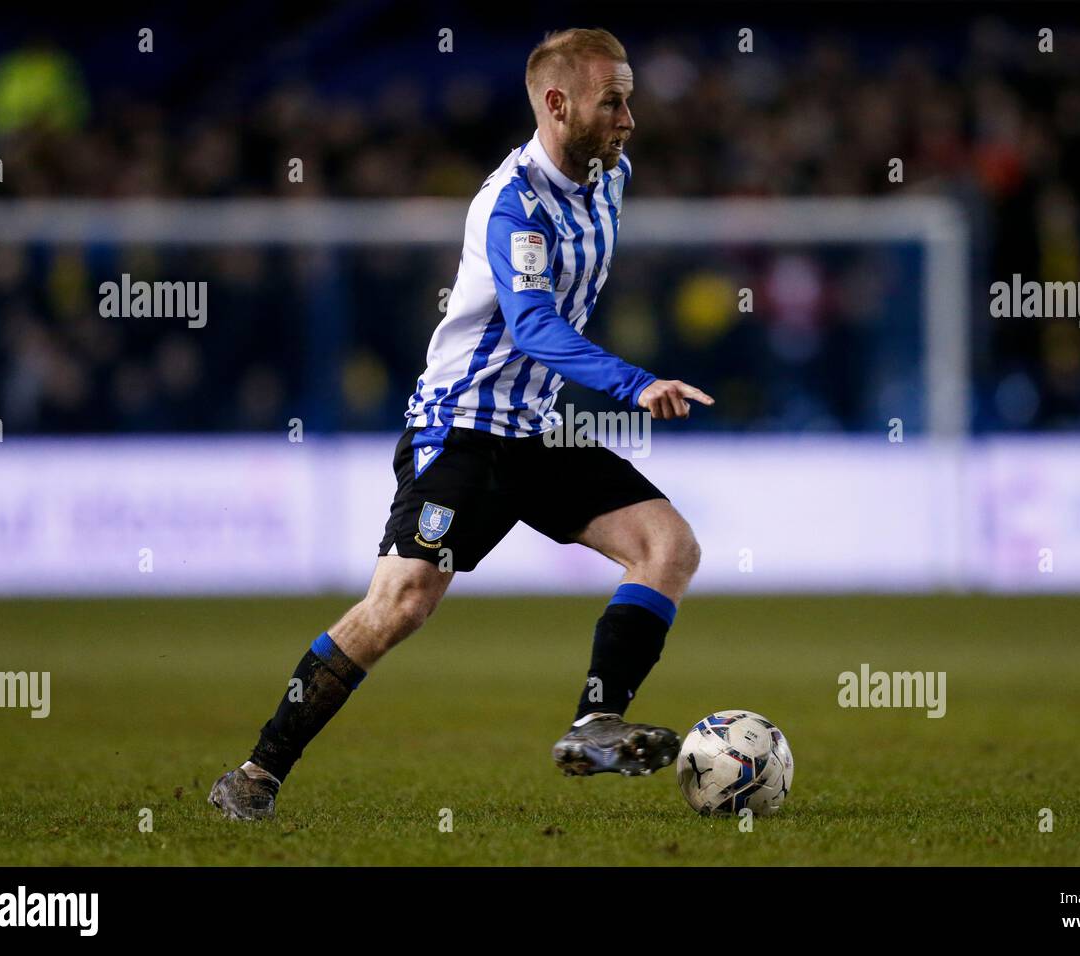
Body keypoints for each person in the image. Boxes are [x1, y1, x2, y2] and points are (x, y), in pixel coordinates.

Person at [211, 27, 713, 820]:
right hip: (464, 428)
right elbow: (534, 325)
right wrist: (633, 383)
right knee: (401, 604)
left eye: (630, 99)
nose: (629, 118)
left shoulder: (610, 179)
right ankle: (256, 773)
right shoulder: (510, 203)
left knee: (668, 546)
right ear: (557, 104)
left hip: (535, 429)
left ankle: (595, 721)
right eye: (612, 101)